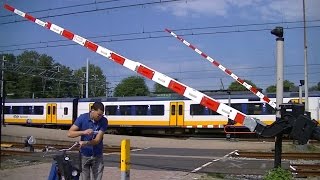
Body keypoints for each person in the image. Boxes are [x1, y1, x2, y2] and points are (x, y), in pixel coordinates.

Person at [67, 102, 108, 180]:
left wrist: (86, 143)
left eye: (101, 115)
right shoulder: (82, 118)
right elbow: (69, 133)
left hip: (97, 155)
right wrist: (83, 132)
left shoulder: (104, 121)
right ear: (92, 110)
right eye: (98, 115)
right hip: (84, 155)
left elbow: (97, 140)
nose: (100, 117)